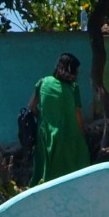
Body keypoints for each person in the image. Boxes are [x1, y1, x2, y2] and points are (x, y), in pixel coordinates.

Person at [30, 53, 92, 185]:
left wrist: (43, 118)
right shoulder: (73, 88)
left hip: (47, 135)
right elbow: (77, 114)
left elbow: (32, 107)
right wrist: (83, 134)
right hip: (70, 135)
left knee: (46, 173)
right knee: (78, 170)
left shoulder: (42, 82)